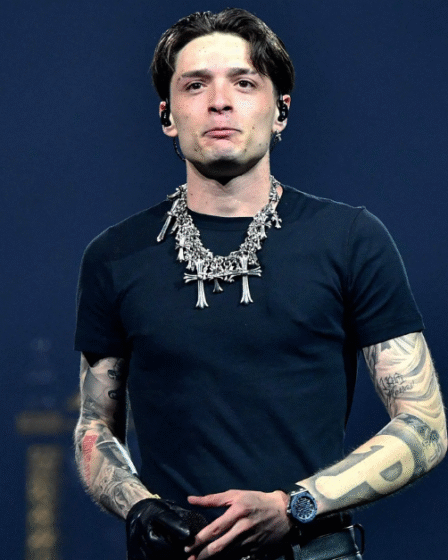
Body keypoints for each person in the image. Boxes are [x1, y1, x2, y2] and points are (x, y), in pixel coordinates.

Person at [74, 8, 446, 560]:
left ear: (281, 112)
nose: (219, 101)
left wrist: (296, 504)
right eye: (195, 85)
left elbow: (424, 424)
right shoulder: (114, 256)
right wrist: (139, 506)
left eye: (244, 83)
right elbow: (95, 427)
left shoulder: (350, 238)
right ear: (167, 116)